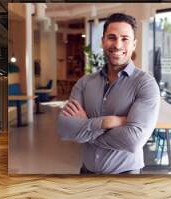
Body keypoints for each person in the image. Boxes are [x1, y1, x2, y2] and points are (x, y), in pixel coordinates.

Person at [57, 13, 160, 174]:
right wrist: (108, 122)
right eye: (112, 37)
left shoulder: (145, 84)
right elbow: (65, 128)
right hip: (86, 171)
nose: (117, 45)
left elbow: (133, 141)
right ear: (103, 41)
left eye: (125, 38)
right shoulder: (84, 83)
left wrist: (87, 125)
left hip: (126, 175)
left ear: (134, 44)